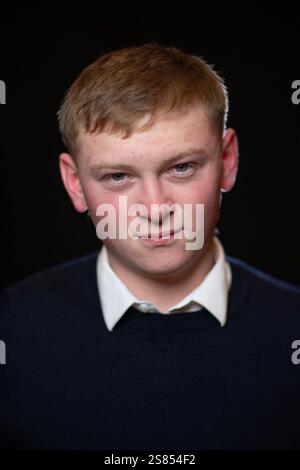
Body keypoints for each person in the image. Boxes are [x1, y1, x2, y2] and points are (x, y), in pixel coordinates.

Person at [1, 42, 300, 451]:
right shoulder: (12, 330)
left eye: (181, 168)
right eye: (119, 176)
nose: (155, 208)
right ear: (75, 184)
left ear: (227, 160)